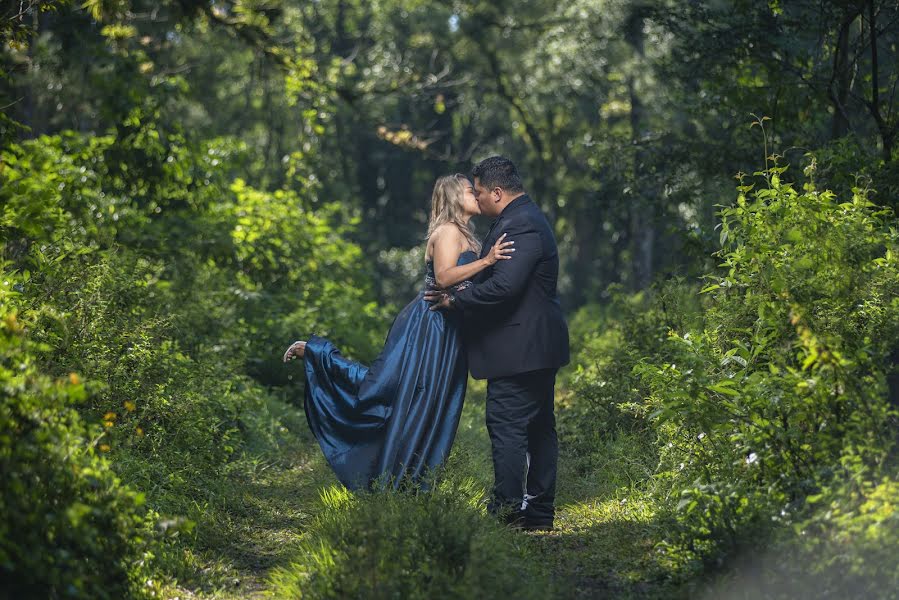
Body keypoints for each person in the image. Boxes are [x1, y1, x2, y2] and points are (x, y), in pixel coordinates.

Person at [282, 174, 515, 490]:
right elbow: (445, 277)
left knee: (432, 404)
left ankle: (414, 483)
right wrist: (488, 260)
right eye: (468, 190)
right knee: (385, 390)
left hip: (451, 330)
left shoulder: (469, 236)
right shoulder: (447, 232)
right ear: (452, 197)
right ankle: (315, 352)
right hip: (429, 326)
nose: (475, 194)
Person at [426, 156, 569, 531]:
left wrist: (456, 301)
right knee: (538, 428)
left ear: (497, 192)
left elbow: (506, 286)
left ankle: (507, 514)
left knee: (508, 427)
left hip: (520, 347)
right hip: (533, 345)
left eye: (479, 192)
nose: (477, 198)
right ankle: (537, 514)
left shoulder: (520, 224)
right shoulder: (519, 219)